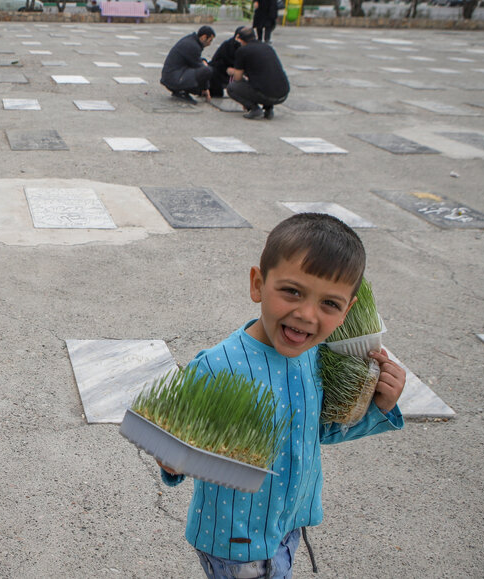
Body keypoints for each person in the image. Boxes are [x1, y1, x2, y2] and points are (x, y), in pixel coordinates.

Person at [158, 212, 406, 579]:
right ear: (258, 284)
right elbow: (177, 450)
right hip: (234, 541)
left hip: (286, 526)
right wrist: (172, 464)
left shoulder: (317, 359)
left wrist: (379, 407)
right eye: (292, 291)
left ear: (347, 311)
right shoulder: (216, 366)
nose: (306, 314)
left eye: (330, 304)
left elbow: (317, 432)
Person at [227, 27, 290, 120]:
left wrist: (231, 71)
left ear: (240, 40)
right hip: (283, 94)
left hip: (266, 94)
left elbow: (237, 78)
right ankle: (268, 109)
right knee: (264, 80)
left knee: (232, 87)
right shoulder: (267, 47)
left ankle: (254, 109)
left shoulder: (242, 51)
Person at [160, 25, 215, 104]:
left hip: (171, 76)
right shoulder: (193, 46)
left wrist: (203, 61)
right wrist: (206, 88)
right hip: (173, 78)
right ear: (204, 37)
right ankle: (181, 91)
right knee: (207, 70)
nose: (210, 44)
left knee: (204, 67)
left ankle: (180, 90)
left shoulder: (191, 40)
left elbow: (195, 60)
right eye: (210, 40)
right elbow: (200, 67)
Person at [207, 26, 245, 98]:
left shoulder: (249, 48)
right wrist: (227, 69)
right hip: (221, 72)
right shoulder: (227, 46)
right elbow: (216, 62)